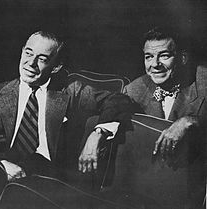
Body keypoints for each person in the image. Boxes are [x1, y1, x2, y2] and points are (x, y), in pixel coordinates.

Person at [0, 30, 132, 205]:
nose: (31, 63)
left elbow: (119, 100)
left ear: (56, 67)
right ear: (22, 51)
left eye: (42, 59)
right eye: (28, 53)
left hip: (47, 179)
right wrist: (1, 165)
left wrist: (98, 134)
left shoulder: (71, 92)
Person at [80, 26, 206, 208]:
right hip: (153, 188)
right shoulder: (135, 89)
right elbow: (116, 104)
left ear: (182, 58)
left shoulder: (203, 80)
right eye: (149, 57)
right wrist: (96, 133)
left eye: (164, 55)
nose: (155, 64)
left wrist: (190, 121)